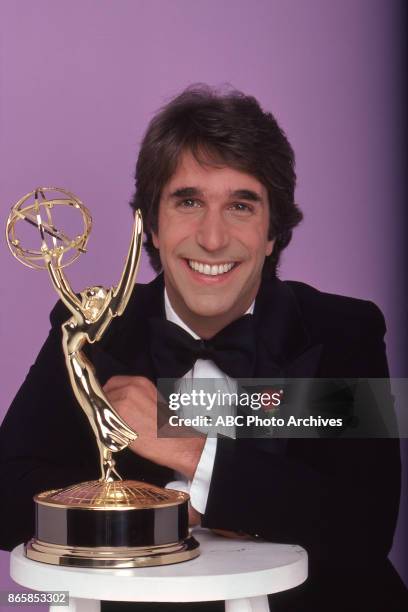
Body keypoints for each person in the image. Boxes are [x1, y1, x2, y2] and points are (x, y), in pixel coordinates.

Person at [1, 85, 407, 612]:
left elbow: (362, 527)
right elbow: (7, 496)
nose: (212, 239)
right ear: (151, 227)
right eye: (188, 201)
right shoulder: (93, 329)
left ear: (272, 233)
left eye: (241, 205)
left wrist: (184, 447)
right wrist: (167, 512)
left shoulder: (342, 331)